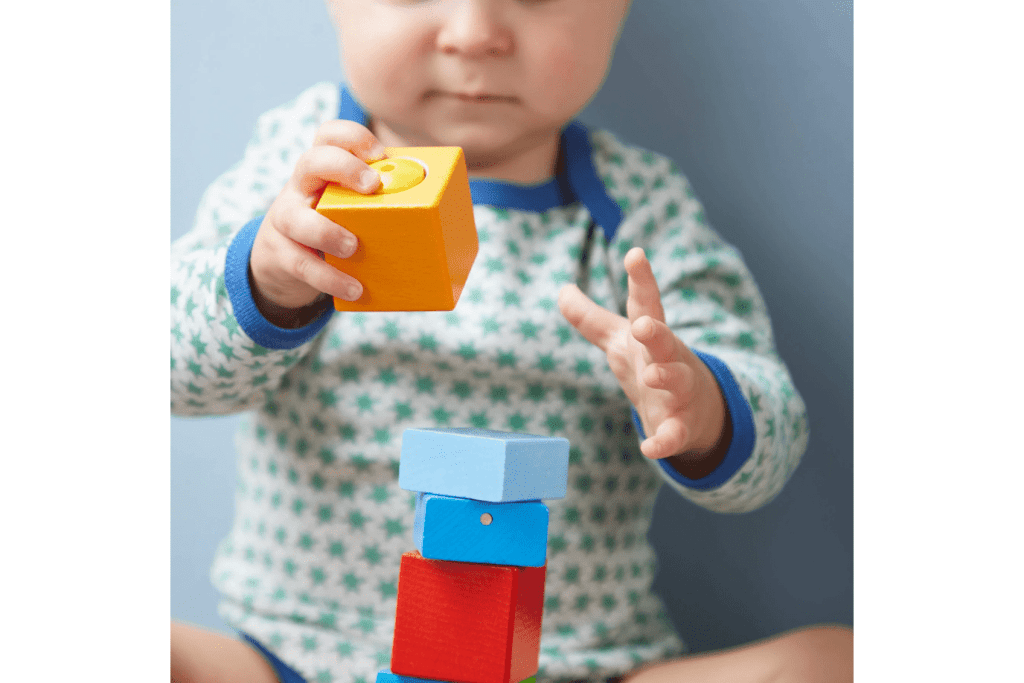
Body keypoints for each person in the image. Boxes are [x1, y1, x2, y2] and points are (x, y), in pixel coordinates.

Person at [170, 1, 852, 682]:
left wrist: (700, 404)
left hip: (576, 662)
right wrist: (265, 282)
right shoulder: (300, 172)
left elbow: (775, 439)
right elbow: (171, 370)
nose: (473, 36)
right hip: (297, 656)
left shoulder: (639, 206)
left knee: (835, 661)